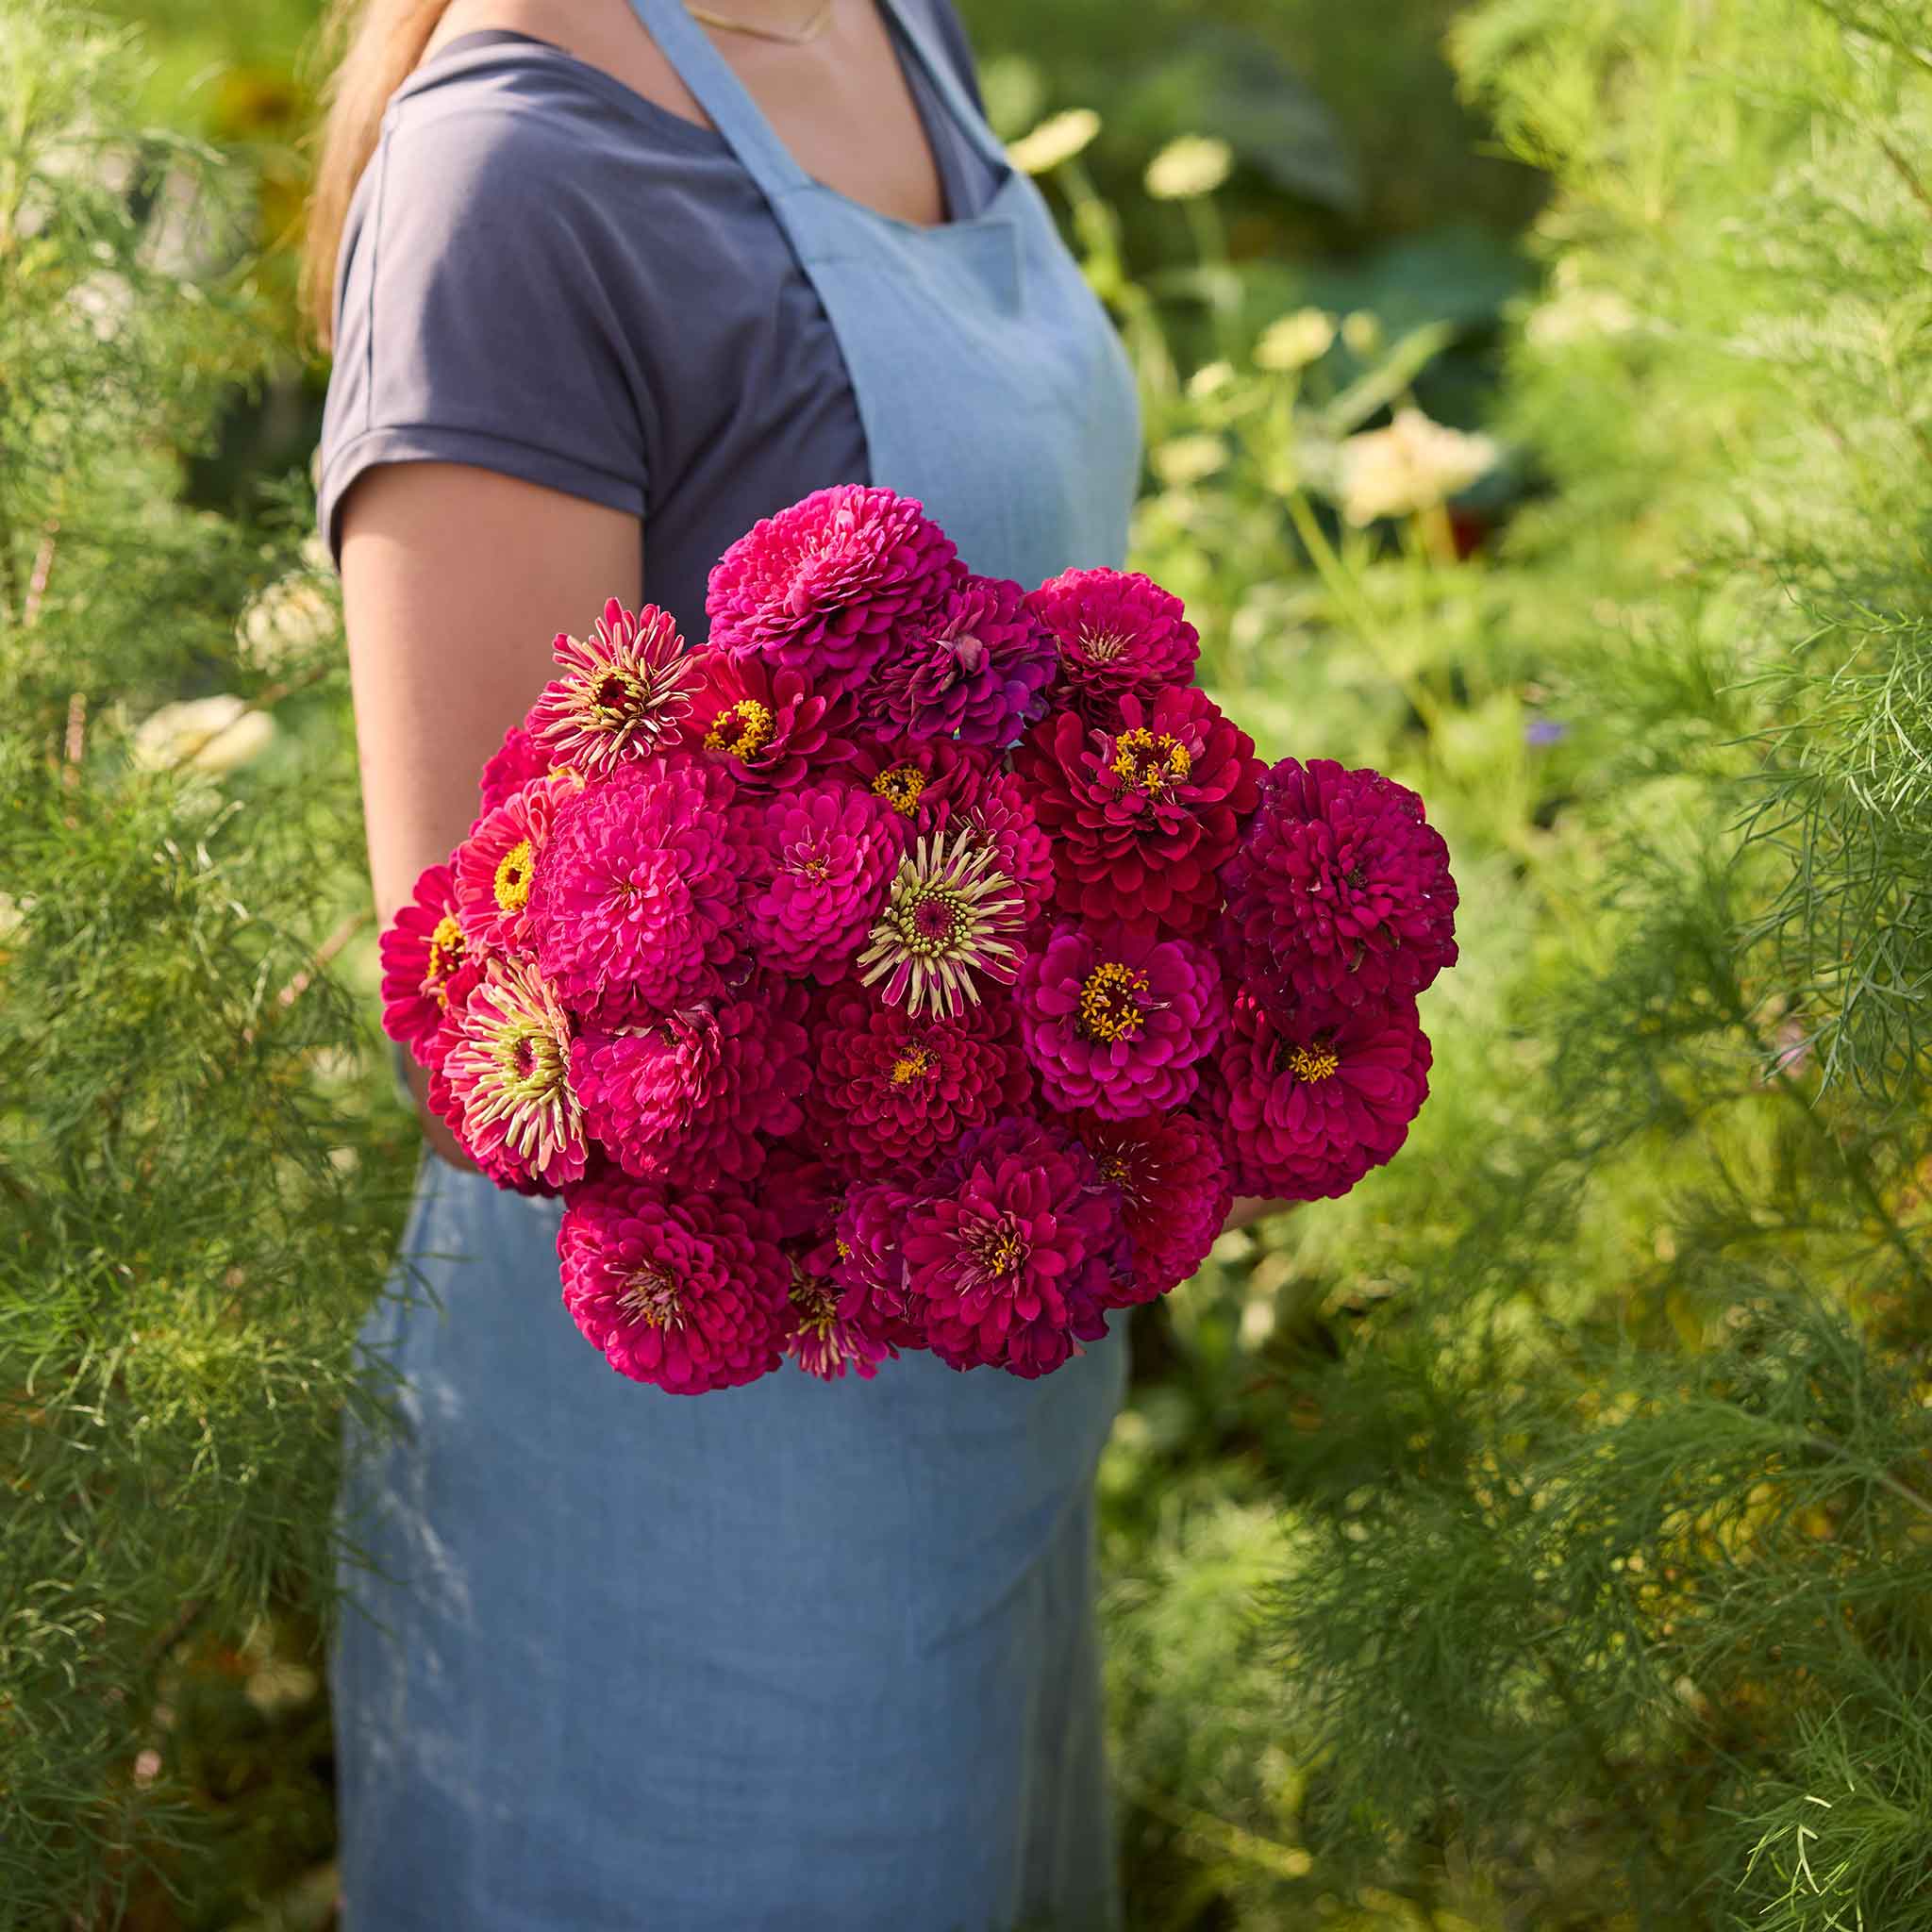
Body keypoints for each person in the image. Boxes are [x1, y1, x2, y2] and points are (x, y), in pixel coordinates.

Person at [307, 2, 1273, 1924]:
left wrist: (1177, 970)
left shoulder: (888, 22)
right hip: (693, 1468)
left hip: (983, 1388)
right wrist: (1002, 998)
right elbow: (497, 1002)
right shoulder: (511, 176)